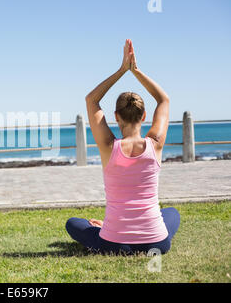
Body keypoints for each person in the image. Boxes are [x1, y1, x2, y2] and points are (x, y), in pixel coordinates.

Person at [66, 40, 180, 255]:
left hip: (113, 244)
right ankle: (147, 233)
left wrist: (121, 70)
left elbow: (92, 100)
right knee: (172, 213)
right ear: (144, 116)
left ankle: (101, 228)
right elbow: (163, 100)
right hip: (157, 244)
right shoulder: (155, 144)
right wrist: (135, 71)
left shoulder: (109, 146)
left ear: (116, 116)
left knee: (73, 223)